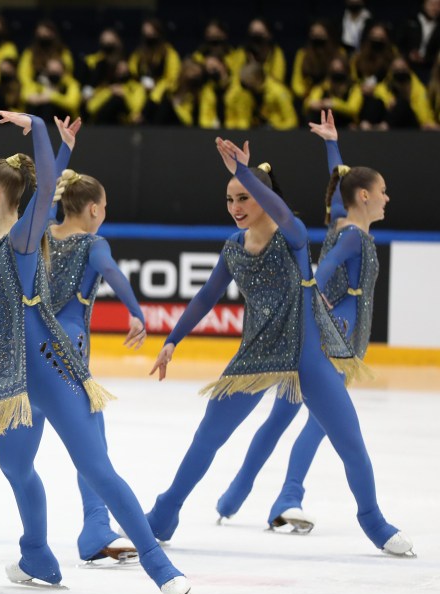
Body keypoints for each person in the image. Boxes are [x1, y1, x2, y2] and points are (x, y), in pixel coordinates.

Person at [145, 134, 414, 558]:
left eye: (244, 197)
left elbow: (285, 212)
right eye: (230, 199)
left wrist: (243, 171)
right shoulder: (234, 248)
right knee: (207, 438)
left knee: (350, 443)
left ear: (263, 197)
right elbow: (206, 296)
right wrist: (173, 340)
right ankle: (164, 514)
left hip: (307, 355)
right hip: (256, 355)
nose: (236, 207)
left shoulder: (293, 236)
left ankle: (373, 520)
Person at [0, 107, 190, 594]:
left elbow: (45, 188)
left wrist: (40, 131)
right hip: (9, 383)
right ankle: (36, 555)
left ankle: (160, 565)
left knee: (97, 468)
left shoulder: (22, 238)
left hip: (51, 369)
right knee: (15, 468)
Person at [0, 119, 147, 566]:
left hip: (37, 357)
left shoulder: (34, 234)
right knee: (71, 457)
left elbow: (44, 190)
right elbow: (44, 189)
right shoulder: (43, 238)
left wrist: (51, 140)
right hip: (48, 354)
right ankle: (84, 532)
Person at [214, 109, 365, 530]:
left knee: (283, 419)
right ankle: (287, 497)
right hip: (325, 334)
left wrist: (332, 143)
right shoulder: (343, 229)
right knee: (312, 422)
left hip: (341, 335)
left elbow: (340, 181)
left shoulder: (355, 229)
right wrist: (315, 288)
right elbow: (341, 187)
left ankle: (234, 495)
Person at [360, 56, 438, 129]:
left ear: (408, 70)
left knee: (401, 104)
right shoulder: (387, 84)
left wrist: (427, 123)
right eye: (396, 69)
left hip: (410, 124)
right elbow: (380, 96)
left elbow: (422, 111)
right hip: (389, 118)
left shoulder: (418, 88)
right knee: (375, 102)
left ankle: (384, 127)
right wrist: (389, 103)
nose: (400, 72)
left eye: (403, 68)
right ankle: (366, 126)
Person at [225, 62, 298, 129]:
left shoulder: (278, 91)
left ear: (255, 78)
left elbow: (292, 121)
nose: (242, 83)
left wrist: (276, 128)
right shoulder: (248, 92)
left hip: (277, 131)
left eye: (245, 80)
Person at [292, 20, 347, 102]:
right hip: (308, 96)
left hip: (333, 95)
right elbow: (296, 81)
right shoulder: (302, 54)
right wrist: (304, 94)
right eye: (314, 34)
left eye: (321, 34)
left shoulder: (339, 53)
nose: (317, 37)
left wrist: (321, 91)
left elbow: (345, 77)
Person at [129, 18, 181, 99]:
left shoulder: (168, 53)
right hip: (140, 90)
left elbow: (173, 77)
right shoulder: (138, 54)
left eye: (152, 32)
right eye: (146, 32)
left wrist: (158, 87)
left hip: (161, 93)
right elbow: (132, 72)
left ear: (158, 33)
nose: (149, 34)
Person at [304, 56, 363, 128]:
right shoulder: (323, 87)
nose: (337, 74)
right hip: (325, 126)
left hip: (346, 125)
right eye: (334, 71)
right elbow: (309, 103)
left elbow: (353, 109)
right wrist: (318, 104)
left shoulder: (354, 88)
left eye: (340, 70)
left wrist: (334, 104)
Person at [400, 0, 440, 80]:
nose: (435, 8)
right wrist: (408, 55)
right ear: (424, 4)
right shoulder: (409, 21)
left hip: (431, 70)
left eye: (438, 5)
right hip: (406, 65)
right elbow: (398, 43)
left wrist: (426, 59)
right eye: (432, 4)